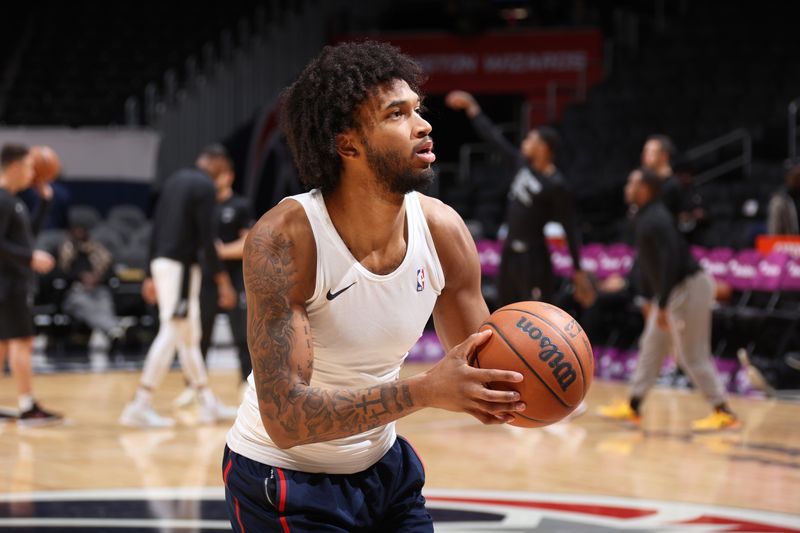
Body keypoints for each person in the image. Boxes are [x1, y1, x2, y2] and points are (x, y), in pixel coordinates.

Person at [223, 41, 526, 532]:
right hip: (283, 480)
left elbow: (484, 367)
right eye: (397, 114)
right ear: (348, 145)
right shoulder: (286, 239)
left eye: (418, 110)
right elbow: (287, 420)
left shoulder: (443, 231)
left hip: (385, 470)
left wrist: (523, 385)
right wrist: (427, 390)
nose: (423, 125)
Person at [598, 168, 739, 432]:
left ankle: (724, 411)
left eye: (632, 182)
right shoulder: (645, 216)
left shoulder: (656, 218)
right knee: (651, 347)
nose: (627, 186)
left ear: (645, 189)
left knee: (691, 356)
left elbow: (671, 261)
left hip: (687, 288)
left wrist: (661, 303)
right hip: (670, 292)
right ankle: (634, 406)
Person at [119, 147, 240, 428]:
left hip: (164, 263)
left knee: (189, 335)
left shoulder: (174, 182)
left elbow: (156, 228)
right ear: (220, 174)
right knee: (173, 331)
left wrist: (150, 272)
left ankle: (206, 401)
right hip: (181, 268)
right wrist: (223, 281)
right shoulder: (205, 188)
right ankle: (140, 403)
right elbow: (207, 239)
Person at [445, 90, 595, 308]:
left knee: (534, 312)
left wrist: (578, 270)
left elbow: (569, 226)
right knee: (505, 308)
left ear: (544, 148)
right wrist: (472, 108)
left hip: (533, 258)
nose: (526, 141)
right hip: (509, 254)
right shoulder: (522, 165)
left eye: (531, 139)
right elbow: (494, 138)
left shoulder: (556, 185)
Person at [175, 144, 253, 407]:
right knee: (199, 335)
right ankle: (194, 386)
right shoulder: (202, 206)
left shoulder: (240, 205)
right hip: (205, 279)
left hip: (235, 279)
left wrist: (219, 251)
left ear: (228, 176)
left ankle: (245, 383)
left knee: (242, 335)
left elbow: (248, 244)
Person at [0, 143, 61, 426]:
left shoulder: (14, 200)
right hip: (10, 283)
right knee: (23, 342)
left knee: (2, 345)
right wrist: (30, 258)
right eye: (28, 166)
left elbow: (27, 236)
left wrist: (45, 202)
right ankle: (28, 405)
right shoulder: (2, 200)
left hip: (11, 281)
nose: (31, 172)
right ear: (13, 167)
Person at [58, 211, 126, 345]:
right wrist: (80, 277)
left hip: (97, 290)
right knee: (85, 304)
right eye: (76, 230)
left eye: (81, 230)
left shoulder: (98, 250)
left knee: (104, 301)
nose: (79, 233)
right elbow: (57, 275)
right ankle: (114, 328)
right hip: (75, 292)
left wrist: (97, 277)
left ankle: (111, 330)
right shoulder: (63, 250)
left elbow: (111, 272)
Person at [641, 134, 682, 218]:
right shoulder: (650, 183)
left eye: (650, 152)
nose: (644, 157)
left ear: (664, 156)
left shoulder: (673, 185)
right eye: (644, 152)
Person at [766, 163, 800, 235]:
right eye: (796, 177)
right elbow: (774, 230)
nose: (798, 180)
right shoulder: (779, 201)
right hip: (788, 242)